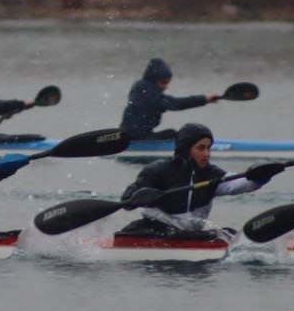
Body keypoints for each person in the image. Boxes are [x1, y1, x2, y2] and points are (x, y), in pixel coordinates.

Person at [116, 123, 282, 240]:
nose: (206, 154)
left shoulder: (211, 173)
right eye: (201, 148)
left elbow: (235, 184)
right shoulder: (157, 171)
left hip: (189, 235)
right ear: (186, 148)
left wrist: (260, 177)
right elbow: (126, 200)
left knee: (229, 234)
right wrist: (138, 197)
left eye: (209, 148)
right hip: (154, 231)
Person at [119, 58, 219, 140]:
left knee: (171, 134)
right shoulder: (148, 92)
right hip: (137, 138)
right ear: (153, 79)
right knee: (173, 134)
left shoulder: (140, 87)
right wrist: (204, 99)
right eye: (163, 82)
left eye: (167, 83)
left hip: (131, 135)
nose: (166, 87)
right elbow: (175, 104)